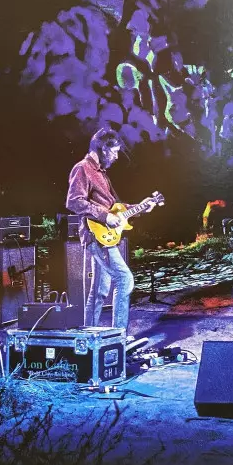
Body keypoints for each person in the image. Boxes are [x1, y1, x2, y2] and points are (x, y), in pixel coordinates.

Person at [66, 128, 155, 333]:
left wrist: (141, 207)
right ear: (103, 148)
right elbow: (74, 201)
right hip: (96, 236)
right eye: (114, 151)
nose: (116, 156)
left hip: (104, 236)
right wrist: (105, 217)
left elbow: (116, 209)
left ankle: (89, 335)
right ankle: (119, 335)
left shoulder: (101, 174)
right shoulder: (82, 168)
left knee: (99, 291)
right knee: (125, 279)